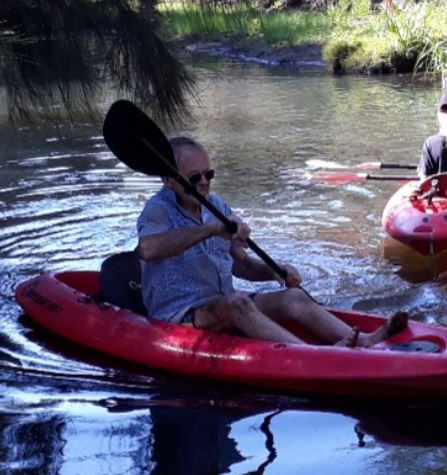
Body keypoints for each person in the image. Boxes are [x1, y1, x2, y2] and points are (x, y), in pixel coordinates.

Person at [136, 135, 407, 347]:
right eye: (195, 178)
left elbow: (240, 263)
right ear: (169, 179)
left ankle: (365, 341)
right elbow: (147, 249)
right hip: (178, 316)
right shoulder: (158, 209)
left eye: (209, 174)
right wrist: (211, 229)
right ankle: (312, 355)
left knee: (293, 297)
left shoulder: (216, 205)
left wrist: (275, 271)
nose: (205, 183)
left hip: (219, 304)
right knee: (237, 302)